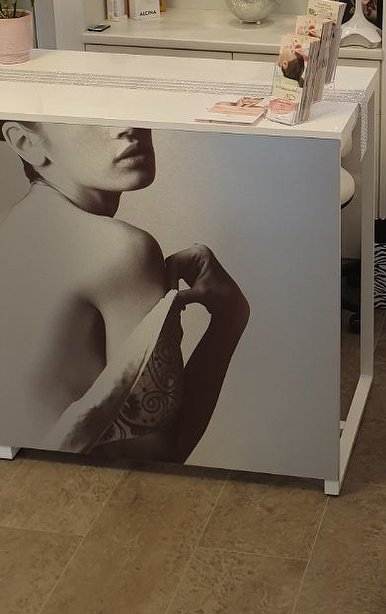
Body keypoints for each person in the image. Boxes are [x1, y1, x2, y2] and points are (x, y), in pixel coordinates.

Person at [0, 121, 249, 460]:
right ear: (25, 142)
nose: (128, 126)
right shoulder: (121, 249)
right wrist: (230, 317)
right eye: (90, 115)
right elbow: (157, 457)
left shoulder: (13, 224)